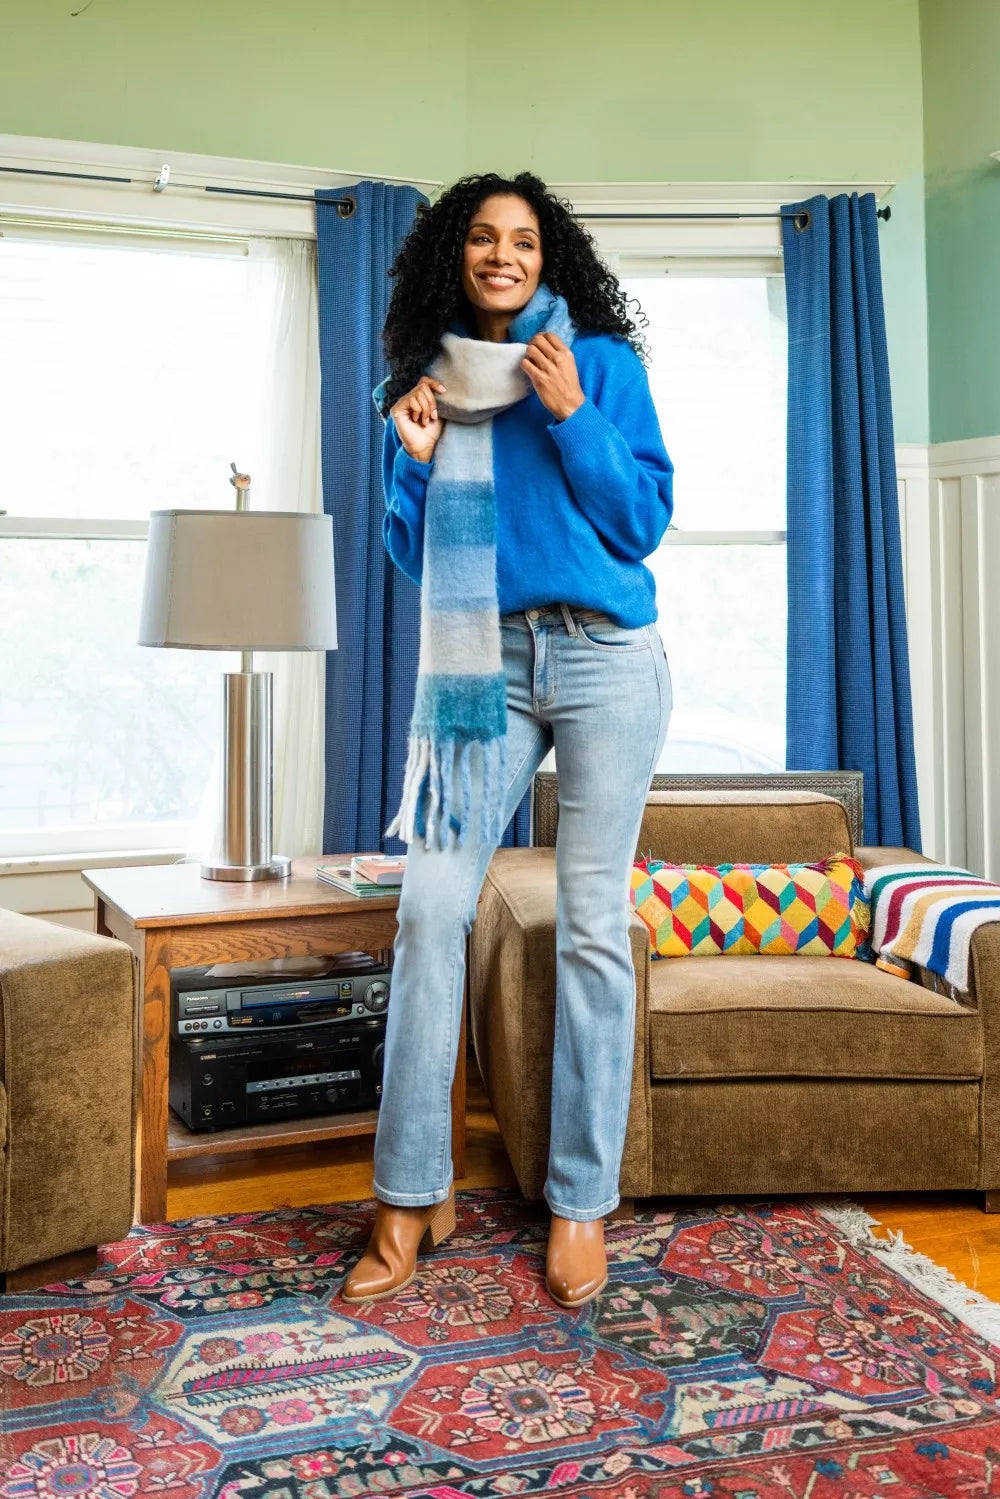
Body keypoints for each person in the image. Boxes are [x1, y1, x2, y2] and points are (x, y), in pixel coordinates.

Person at [340, 171, 673, 1309]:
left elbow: (640, 524)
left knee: (589, 926)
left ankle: (581, 1202)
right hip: (481, 665)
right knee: (431, 906)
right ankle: (406, 1191)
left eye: (522, 240)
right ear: (455, 255)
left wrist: (575, 411)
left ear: (548, 258)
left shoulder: (603, 368)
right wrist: (413, 462)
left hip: (603, 662)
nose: (501, 255)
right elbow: (408, 557)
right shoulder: (422, 381)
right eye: (482, 238)